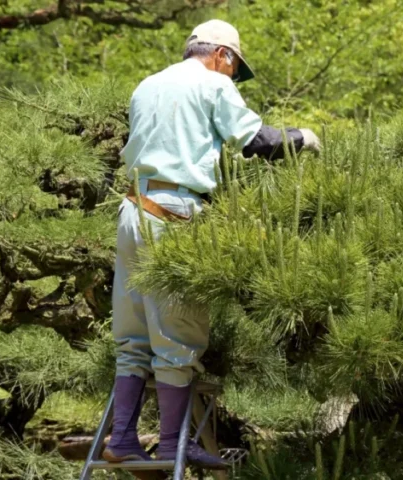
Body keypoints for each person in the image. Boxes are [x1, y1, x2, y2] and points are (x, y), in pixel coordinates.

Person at [104, 19, 322, 471]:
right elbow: (256, 142)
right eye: (235, 69)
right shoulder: (211, 85)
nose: (233, 78)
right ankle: (171, 446)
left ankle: (122, 438)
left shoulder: (148, 84)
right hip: (174, 215)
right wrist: (304, 138)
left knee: (132, 337)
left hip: (131, 211)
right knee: (178, 335)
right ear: (221, 54)